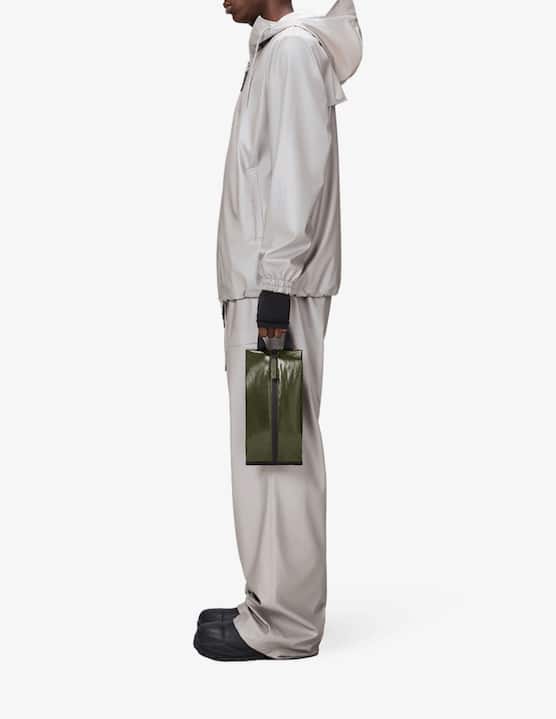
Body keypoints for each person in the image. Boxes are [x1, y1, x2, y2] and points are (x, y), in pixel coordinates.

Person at [194, 0, 362, 661]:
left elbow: (299, 173)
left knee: (278, 456)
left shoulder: (291, 53)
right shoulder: (274, 53)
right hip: (266, 289)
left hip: (275, 295)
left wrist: (274, 289)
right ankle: (267, 601)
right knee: (266, 455)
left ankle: (285, 624)